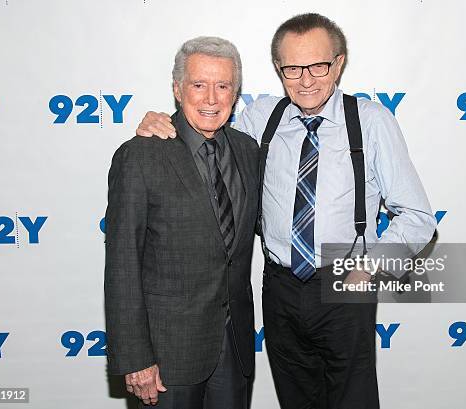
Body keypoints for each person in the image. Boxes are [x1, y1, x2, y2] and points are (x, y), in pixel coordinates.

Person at [136, 13, 436, 409]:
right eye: (293, 68)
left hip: (344, 283)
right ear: (278, 69)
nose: (306, 79)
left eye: (318, 66)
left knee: (354, 400)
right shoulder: (262, 118)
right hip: (279, 288)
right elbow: (205, 135)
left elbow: (418, 217)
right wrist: (164, 124)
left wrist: (370, 265)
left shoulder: (371, 122)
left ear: (339, 64)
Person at [104, 36, 259, 409]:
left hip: (234, 347)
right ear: (177, 89)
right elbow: (122, 264)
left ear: (235, 93)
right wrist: (136, 358)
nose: (211, 99)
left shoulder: (247, 150)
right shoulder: (139, 156)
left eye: (223, 86)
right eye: (198, 85)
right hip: (166, 356)